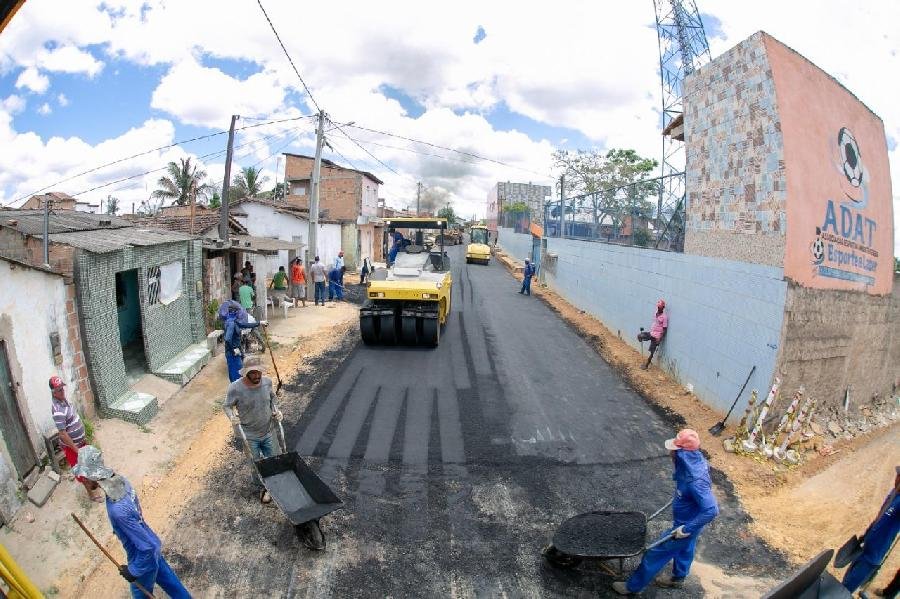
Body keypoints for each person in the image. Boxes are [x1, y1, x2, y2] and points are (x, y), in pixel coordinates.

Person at [73, 445, 191, 599]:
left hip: (143, 556)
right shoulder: (121, 481)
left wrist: (133, 571)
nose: (83, 480)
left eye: (84, 476)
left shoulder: (118, 511)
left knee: (140, 594)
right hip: (150, 541)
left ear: (93, 475)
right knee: (170, 582)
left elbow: (147, 548)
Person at [612, 429, 719, 595]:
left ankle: (632, 587)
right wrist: (681, 496)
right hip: (689, 520)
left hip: (687, 525)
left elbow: (711, 510)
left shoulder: (696, 481)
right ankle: (678, 578)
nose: (670, 452)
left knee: (654, 554)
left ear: (683, 453)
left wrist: (686, 529)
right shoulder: (693, 462)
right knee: (686, 548)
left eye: (674, 450)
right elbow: (686, 485)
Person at [223, 357, 283, 504]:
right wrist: (232, 417)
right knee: (255, 463)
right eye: (253, 373)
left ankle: (274, 484)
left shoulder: (267, 382)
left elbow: (273, 399)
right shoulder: (235, 388)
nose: (257, 376)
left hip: (268, 429)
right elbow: (227, 406)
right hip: (249, 434)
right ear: (246, 373)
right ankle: (263, 487)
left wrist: (276, 410)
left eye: (259, 372)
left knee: (274, 458)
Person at [842, 466, 900, 594]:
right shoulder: (893, 494)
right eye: (898, 476)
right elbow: (880, 515)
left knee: (846, 588)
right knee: (844, 582)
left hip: (873, 555)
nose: (896, 479)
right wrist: (866, 534)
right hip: (865, 547)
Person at [50, 376, 102, 502]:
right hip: (73, 447)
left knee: (88, 463)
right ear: (54, 393)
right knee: (81, 471)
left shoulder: (64, 401)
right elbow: (62, 434)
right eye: (59, 390)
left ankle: (94, 483)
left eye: (62, 388)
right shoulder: (57, 410)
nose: (62, 391)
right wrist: (76, 450)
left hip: (81, 442)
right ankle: (92, 495)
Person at [221, 300, 262, 382]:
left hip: (237, 350)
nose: (239, 314)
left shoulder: (233, 321)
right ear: (234, 312)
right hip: (232, 353)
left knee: (239, 371)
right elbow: (227, 339)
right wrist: (233, 349)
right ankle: (236, 388)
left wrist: (259, 323)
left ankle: (238, 387)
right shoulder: (231, 323)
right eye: (238, 312)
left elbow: (244, 325)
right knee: (236, 374)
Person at [638, 299, 668, 370]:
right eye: (658, 307)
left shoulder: (664, 317)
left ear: (663, 308)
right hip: (651, 333)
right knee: (639, 335)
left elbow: (664, 329)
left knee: (652, 351)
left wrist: (659, 339)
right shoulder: (656, 313)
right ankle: (641, 338)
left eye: (660, 307)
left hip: (657, 336)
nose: (658, 308)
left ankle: (646, 365)